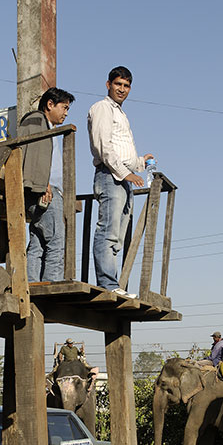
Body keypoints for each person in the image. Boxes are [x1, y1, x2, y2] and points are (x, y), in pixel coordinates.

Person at [88, 66, 154, 296]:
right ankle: (107, 284)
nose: (122, 89)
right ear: (108, 84)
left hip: (124, 177)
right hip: (110, 175)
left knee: (119, 235)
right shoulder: (102, 108)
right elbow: (104, 148)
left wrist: (139, 162)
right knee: (108, 230)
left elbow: (122, 151)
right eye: (118, 84)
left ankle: (114, 284)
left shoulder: (121, 114)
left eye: (126, 86)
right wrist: (126, 173)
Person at [20, 87, 75, 282]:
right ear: (50, 104)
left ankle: (32, 283)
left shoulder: (46, 126)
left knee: (38, 241)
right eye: (64, 107)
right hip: (44, 190)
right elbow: (33, 155)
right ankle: (52, 285)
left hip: (44, 189)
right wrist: (43, 183)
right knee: (56, 241)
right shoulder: (37, 122)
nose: (66, 113)